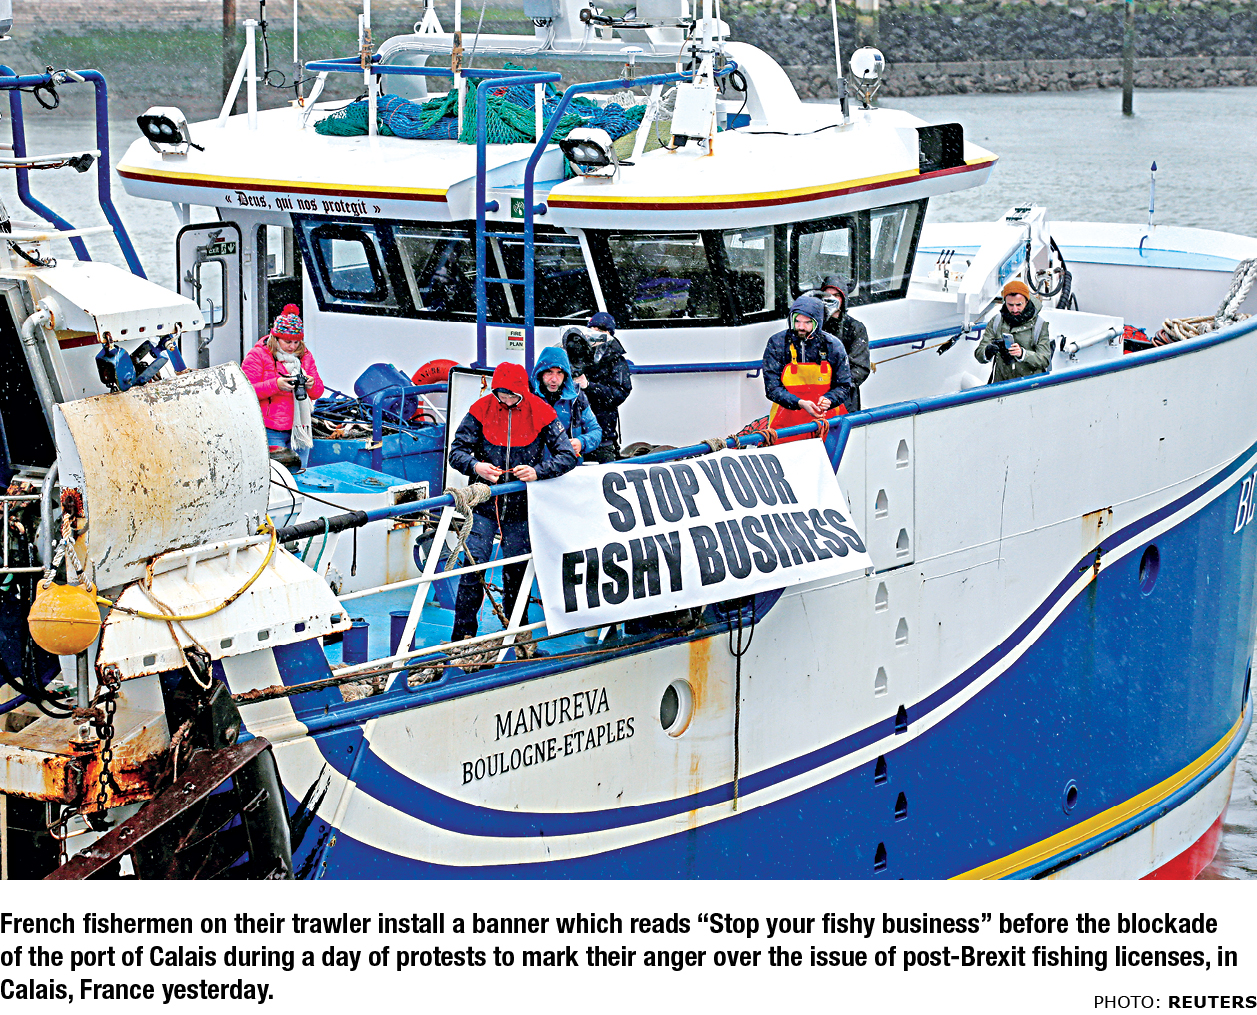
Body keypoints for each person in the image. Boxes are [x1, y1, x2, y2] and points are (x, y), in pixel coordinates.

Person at [447, 362, 578, 644]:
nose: (506, 401)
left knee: (517, 572)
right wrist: (476, 466)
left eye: (512, 396)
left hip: (521, 507)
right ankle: (461, 638)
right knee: (473, 567)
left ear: (523, 392)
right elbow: (456, 452)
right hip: (483, 506)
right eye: (501, 395)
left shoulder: (542, 411)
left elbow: (567, 456)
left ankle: (518, 636)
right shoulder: (480, 409)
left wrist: (538, 472)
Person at [241, 304, 324, 468]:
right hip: (271, 429)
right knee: (278, 476)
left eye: (296, 342)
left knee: (300, 473)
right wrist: (276, 385)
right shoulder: (258, 355)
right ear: (276, 338)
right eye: (287, 342)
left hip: (300, 429)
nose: (292, 347)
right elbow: (245, 393)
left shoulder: (305, 356)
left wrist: (311, 384)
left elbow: (317, 392)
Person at [762, 295, 852, 440]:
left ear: (818, 322)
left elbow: (844, 385)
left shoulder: (833, 345)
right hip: (786, 426)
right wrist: (800, 403)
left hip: (827, 424)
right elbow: (772, 388)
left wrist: (830, 399)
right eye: (797, 321)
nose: (801, 327)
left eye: (808, 322)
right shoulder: (777, 343)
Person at [567, 312, 631, 463]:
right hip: (574, 435)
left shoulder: (617, 360)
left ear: (610, 334)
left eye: (601, 330)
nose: (595, 334)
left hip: (603, 435)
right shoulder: (576, 354)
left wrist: (589, 386)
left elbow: (619, 393)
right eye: (592, 329)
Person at [531, 345, 602, 461]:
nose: (554, 379)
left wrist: (581, 442)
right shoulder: (528, 396)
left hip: (569, 466)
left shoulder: (577, 397)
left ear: (566, 375)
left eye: (559, 373)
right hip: (535, 468)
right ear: (540, 373)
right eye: (549, 372)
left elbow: (595, 431)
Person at [975, 279, 1054, 383]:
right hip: (1001, 383)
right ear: (1004, 302)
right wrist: (988, 351)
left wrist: (1023, 354)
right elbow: (979, 353)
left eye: (1019, 304)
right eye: (1010, 305)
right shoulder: (996, 321)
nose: (1015, 309)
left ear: (1027, 302)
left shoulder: (1039, 325)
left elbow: (1045, 359)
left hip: (1030, 384)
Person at [813, 275, 871, 413]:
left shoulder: (855, 328)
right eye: (827, 295)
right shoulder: (812, 325)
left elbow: (860, 368)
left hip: (845, 399)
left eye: (836, 295)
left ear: (843, 299)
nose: (831, 299)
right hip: (814, 396)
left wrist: (836, 390)